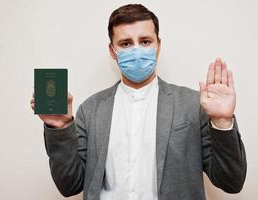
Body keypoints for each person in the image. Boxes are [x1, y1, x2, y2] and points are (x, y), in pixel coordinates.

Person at [30, 4, 246, 200]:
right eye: (125, 43)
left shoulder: (192, 104)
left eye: (145, 41)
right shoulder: (91, 109)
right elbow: (70, 185)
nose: (136, 50)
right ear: (112, 51)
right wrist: (59, 127)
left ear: (158, 45)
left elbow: (231, 182)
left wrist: (222, 122)